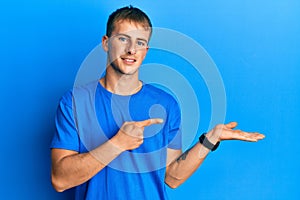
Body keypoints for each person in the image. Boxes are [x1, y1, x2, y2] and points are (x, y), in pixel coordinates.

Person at [50, 6, 265, 200]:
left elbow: (172, 177)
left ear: (146, 51)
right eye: (123, 39)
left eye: (140, 42)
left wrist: (209, 140)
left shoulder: (166, 104)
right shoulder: (74, 103)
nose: (131, 49)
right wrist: (117, 144)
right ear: (106, 43)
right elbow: (60, 180)